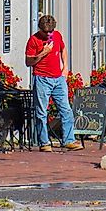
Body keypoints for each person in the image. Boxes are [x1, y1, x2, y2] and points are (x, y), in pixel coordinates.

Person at [26, 14, 75, 149]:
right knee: (41, 112)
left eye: (50, 31)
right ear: (40, 29)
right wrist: (43, 53)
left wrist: (65, 67)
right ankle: (44, 142)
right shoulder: (33, 40)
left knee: (66, 109)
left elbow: (62, 49)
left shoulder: (57, 36)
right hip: (42, 78)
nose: (48, 34)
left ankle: (69, 140)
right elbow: (28, 62)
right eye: (45, 32)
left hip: (58, 79)